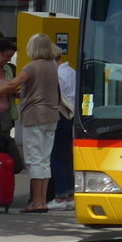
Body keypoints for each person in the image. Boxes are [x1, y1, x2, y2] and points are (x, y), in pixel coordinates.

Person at [0, 33, 62, 213]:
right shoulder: (53, 65)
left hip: (35, 117)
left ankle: (36, 202)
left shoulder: (32, 67)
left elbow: (12, 84)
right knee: (45, 160)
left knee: (34, 159)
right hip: (52, 116)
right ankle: (43, 201)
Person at [47, 47, 77, 211]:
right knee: (65, 157)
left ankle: (60, 197)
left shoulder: (58, 75)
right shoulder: (71, 71)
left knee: (56, 157)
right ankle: (70, 195)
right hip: (70, 117)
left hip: (59, 116)